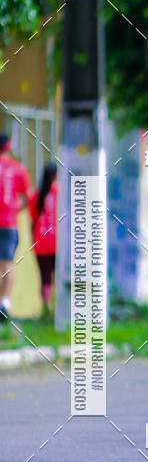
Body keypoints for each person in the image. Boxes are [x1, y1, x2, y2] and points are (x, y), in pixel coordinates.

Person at [0, 134, 33, 324]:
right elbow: (27, 196)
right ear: (8, 146)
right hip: (9, 223)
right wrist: (15, 208)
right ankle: (5, 303)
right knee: (7, 264)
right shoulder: (17, 168)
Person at [29, 162, 58, 316]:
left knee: (45, 277)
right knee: (58, 276)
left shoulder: (36, 196)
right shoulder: (60, 193)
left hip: (41, 242)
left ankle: (46, 309)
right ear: (56, 175)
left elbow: (32, 222)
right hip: (58, 242)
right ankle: (58, 309)